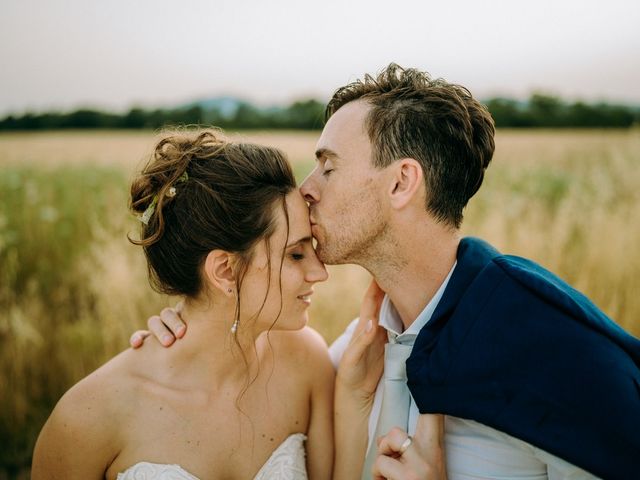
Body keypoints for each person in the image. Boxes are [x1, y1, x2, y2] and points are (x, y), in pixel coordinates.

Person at [133, 64, 640, 479]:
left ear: (401, 183)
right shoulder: (356, 351)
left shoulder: (559, 355)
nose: (306, 189)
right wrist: (200, 316)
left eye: (328, 166)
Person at [31, 131, 336, 479]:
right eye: (295, 254)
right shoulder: (87, 418)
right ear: (225, 271)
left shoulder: (308, 364)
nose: (320, 272)